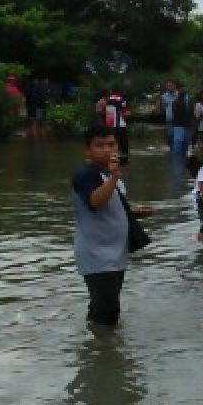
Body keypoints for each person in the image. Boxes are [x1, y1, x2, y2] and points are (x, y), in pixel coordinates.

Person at [71, 124, 152, 330]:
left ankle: (94, 345)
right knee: (108, 313)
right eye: (100, 145)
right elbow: (95, 202)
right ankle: (103, 354)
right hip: (97, 255)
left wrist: (133, 211)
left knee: (103, 307)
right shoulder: (86, 175)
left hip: (114, 254)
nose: (107, 150)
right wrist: (115, 177)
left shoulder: (108, 175)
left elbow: (110, 206)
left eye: (111, 144)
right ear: (87, 150)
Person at [169, 85, 193, 156]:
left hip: (188, 125)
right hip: (178, 124)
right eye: (181, 89)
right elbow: (175, 113)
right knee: (178, 142)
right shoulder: (176, 102)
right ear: (178, 91)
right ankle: (176, 157)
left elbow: (192, 111)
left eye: (184, 89)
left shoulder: (190, 101)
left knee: (186, 143)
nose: (183, 90)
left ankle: (183, 158)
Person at [160, 81, 177, 149]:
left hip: (179, 119)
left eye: (171, 86)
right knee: (170, 135)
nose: (169, 88)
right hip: (169, 119)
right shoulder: (164, 96)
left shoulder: (179, 95)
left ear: (175, 86)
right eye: (168, 86)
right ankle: (171, 149)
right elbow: (164, 107)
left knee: (178, 136)